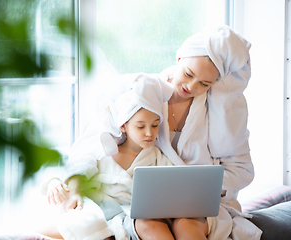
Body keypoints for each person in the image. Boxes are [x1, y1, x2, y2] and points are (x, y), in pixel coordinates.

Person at [47, 25, 263, 239]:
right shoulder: (144, 93)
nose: (191, 86)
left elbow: (241, 169)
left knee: (186, 224)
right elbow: (94, 143)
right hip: (147, 206)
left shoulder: (219, 112)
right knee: (149, 223)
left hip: (197, 205)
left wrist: (203, 188)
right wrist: (73, 182)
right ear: (179, 59)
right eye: (188, 74)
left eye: (204, 84)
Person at [40, 74, 176, 239]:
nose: (149, 133)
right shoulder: (102, 153)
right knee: (79, 225)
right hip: (96, 213)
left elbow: (174, 190)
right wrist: (54, 183)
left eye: (155, 125)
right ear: (123, 126)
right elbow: (65, 178)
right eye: (141, 127)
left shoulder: (157, 158)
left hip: (131, 218)